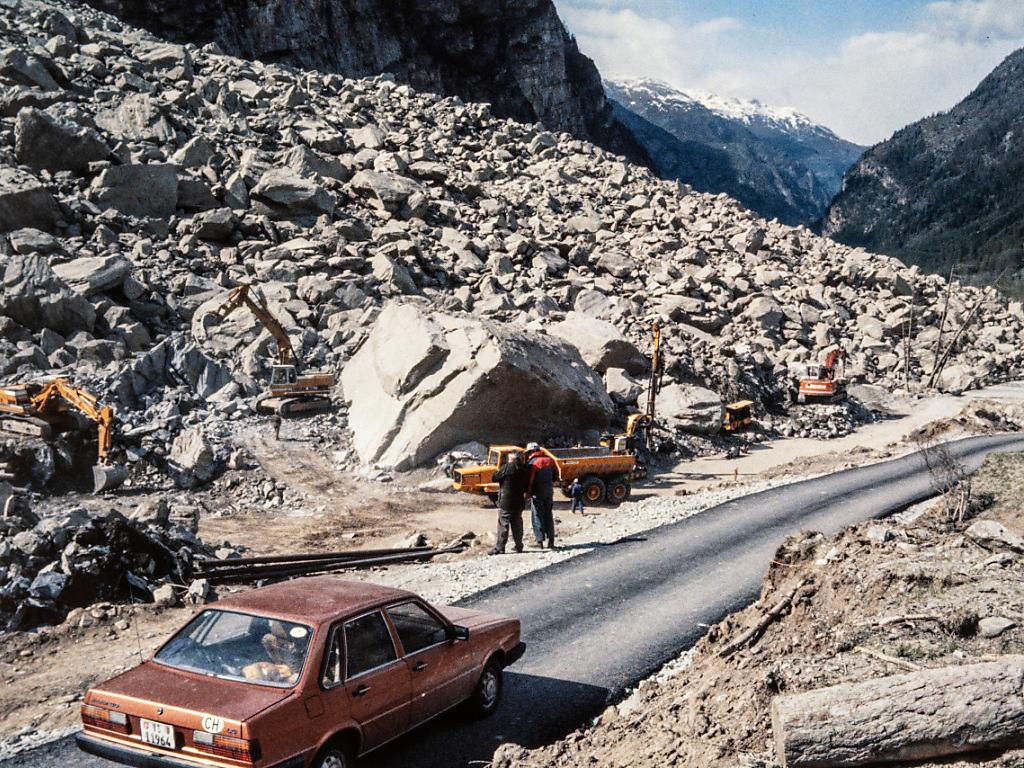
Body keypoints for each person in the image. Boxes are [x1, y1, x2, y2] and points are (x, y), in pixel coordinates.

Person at [489, 452, 529, 555]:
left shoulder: (506, 468)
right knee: (517, 524)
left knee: (503, 524)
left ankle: (500, 548)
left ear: (510, 459)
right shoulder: (524, 469)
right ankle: (519, 546)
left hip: (506, 501)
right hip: (519, 501)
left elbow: (494, 478)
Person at [526, 442, 558, 549]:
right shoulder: (550, 460)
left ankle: (539, 542)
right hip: (549, 492)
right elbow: (555, 476)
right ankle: (551, 541)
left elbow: (530, 480)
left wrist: (528, 492)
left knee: (537, 516)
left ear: (531, 452)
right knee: (548, 515)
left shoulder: (533, 463)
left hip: (537, 494)